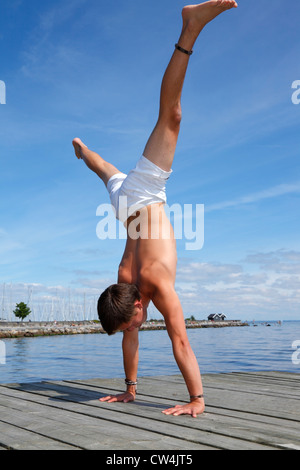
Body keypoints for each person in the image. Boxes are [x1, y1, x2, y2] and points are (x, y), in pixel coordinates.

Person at [73, 0, 238, 418]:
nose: (134, 330)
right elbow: (130, 336)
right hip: (123, 208)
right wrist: (130, 389)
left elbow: (179, 340)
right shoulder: (121, 288)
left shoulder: (153, 282)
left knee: (172, 116)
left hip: (140, 198)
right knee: (106, 173)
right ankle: (85, 152)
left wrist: (197, 400)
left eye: (131, 322)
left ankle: (189, 29)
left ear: (136, 306)